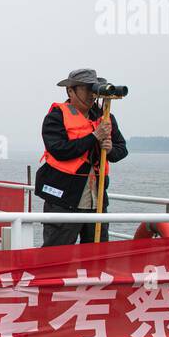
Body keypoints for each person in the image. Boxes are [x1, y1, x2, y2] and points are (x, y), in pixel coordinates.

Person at [35, 68, 127, 246]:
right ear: (71, 91)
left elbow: (121, 149)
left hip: (97, 201)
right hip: (64, 200)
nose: (92, 95)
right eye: (86, 89)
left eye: (94, 89)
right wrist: (94, 137)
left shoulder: (105, 117)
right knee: (57, 253)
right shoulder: (56, 117)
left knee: (96, 255)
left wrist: (109, 151)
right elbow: (59, 150)